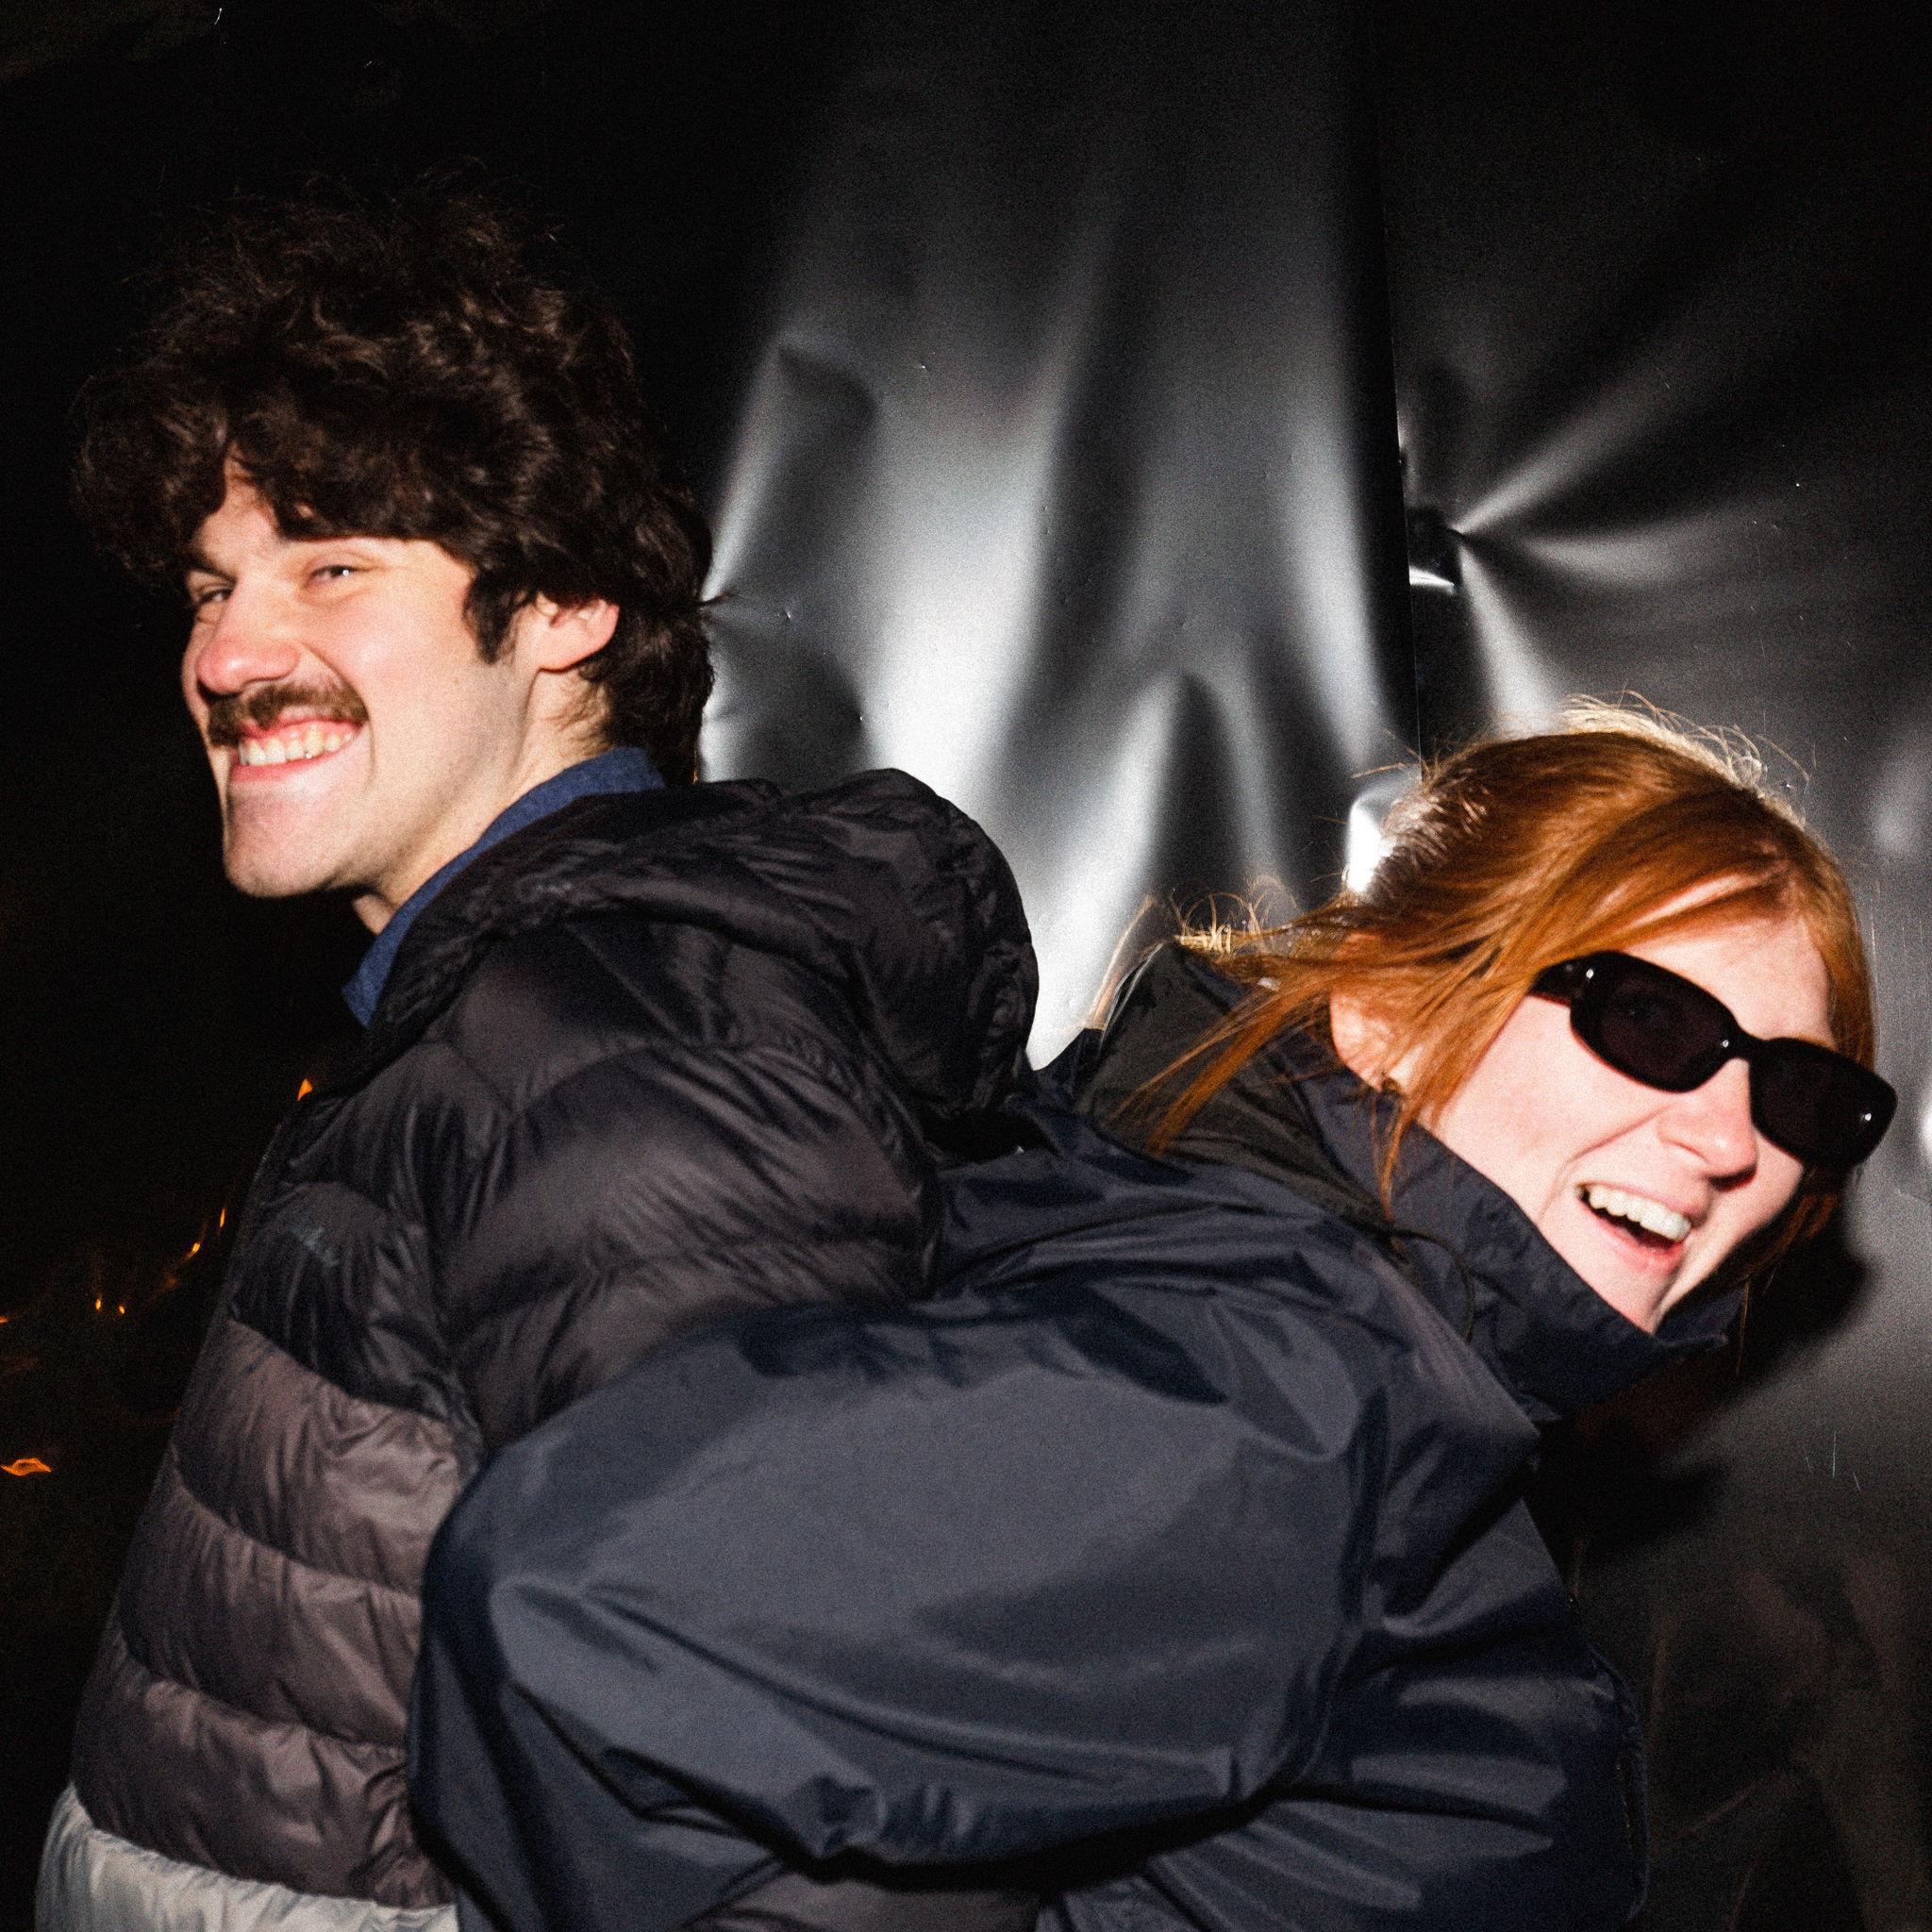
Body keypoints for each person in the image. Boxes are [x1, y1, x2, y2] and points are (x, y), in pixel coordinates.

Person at [409, 710, 1895, 1932]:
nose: (1728, 1140)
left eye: (1801, 1094)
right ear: (1384, 1015)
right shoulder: (1292, 1382)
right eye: (1652, 1023)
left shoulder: (1324, 1337)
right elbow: (587, 1601)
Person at [36, 187, 1036, 1931]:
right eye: (210, 588)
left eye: (332, 567)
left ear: (566, 603)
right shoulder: (495, 1022)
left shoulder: (616, 1067)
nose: (226, 657)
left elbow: (802, 1832)